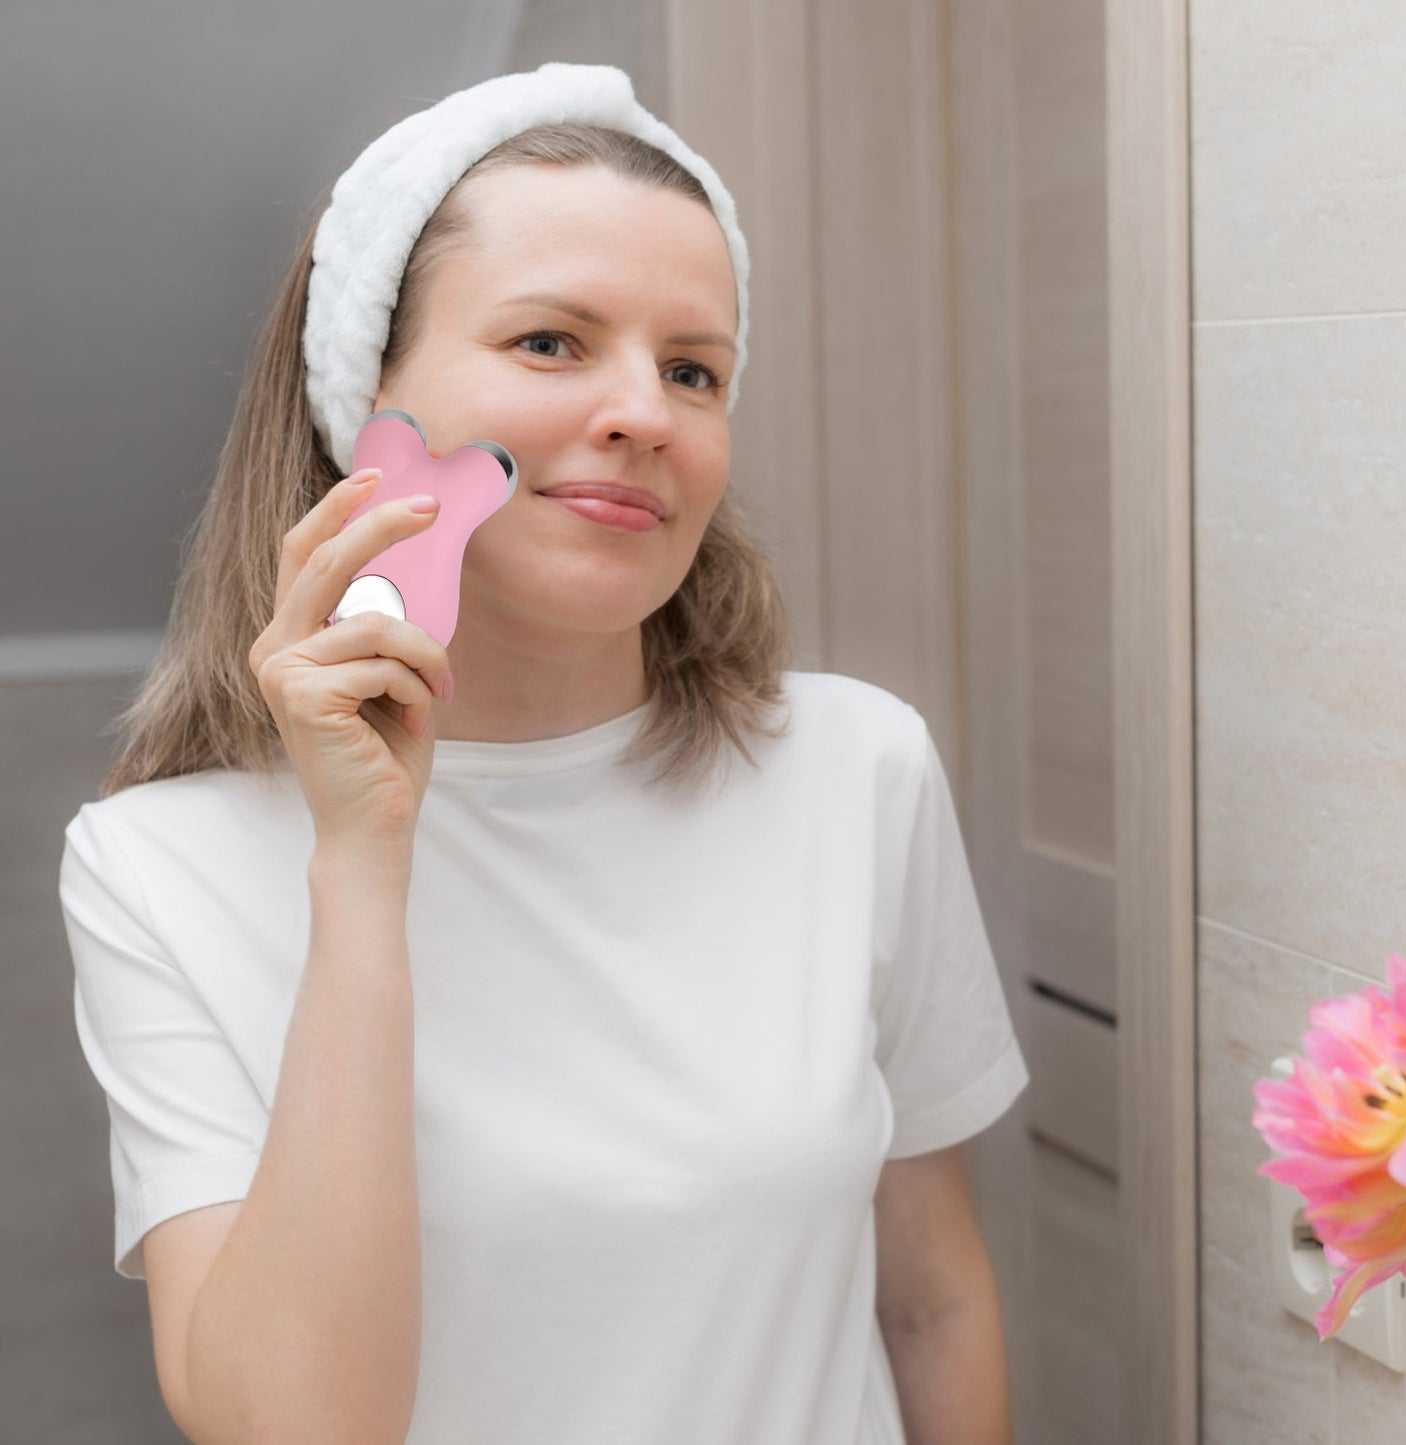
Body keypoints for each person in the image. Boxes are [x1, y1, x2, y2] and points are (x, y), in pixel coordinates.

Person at [58, 62, 1028, 1445]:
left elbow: (928, 1299)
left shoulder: (856, 771)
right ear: (364, 410)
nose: (645, 410)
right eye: (552, 343)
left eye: (693, 367)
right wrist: (360, 868)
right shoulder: (161, 865)